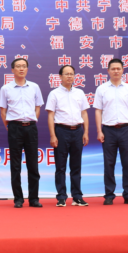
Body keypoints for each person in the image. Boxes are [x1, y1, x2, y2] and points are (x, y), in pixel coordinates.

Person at [0, 58, 45, 208]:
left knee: (33, 164)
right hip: (14, 128)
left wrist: (32, 121)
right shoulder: (6, 88)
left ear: (27, 69)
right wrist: (9, 126)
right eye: (18, 66)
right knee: (15, 165)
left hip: (31, 127)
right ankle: (18, 199)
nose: (21, 69)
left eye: (24, 66)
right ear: (12, 70)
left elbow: (38, 107)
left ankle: (34, 199)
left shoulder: (34, 87)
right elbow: (3, 110)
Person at [94, 58, 128, 205]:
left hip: (127, 129)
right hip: (108, 130)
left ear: (122, 70)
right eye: (113, 69)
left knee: (127, 163)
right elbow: (98, 111)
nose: (115, 71)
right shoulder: (101, 89)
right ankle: (109, 194)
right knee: (109, 164)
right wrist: (99, 131)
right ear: (108, 71)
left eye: (118, 69)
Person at [46, 65, 89, 207]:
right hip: (61, 131)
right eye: (66, 74)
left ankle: (77, 197)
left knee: (76, 166)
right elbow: (51, 115)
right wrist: (53, 135)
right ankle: (61, 197)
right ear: (60, 76)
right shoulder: (54, 94)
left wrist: (86, 132)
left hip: (77, 131)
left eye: (72, 74)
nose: (69, 76)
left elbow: (84, 113)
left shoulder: (80, 93)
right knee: (61, 166)